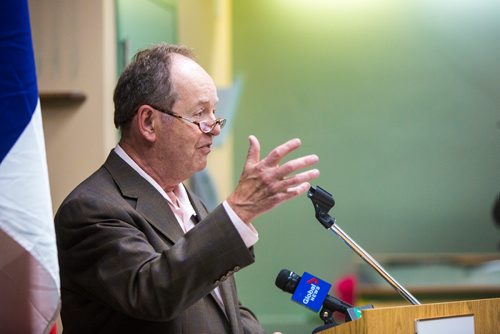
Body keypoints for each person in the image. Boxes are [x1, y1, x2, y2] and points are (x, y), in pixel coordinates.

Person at [54, 43, 320, 334]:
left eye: (214, 111)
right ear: (148, 123)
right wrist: (239, 209)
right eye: (200, 113)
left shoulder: (191, 201)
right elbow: (155, 292)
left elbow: (222, 309)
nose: (215, 127)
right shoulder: (91, 209)